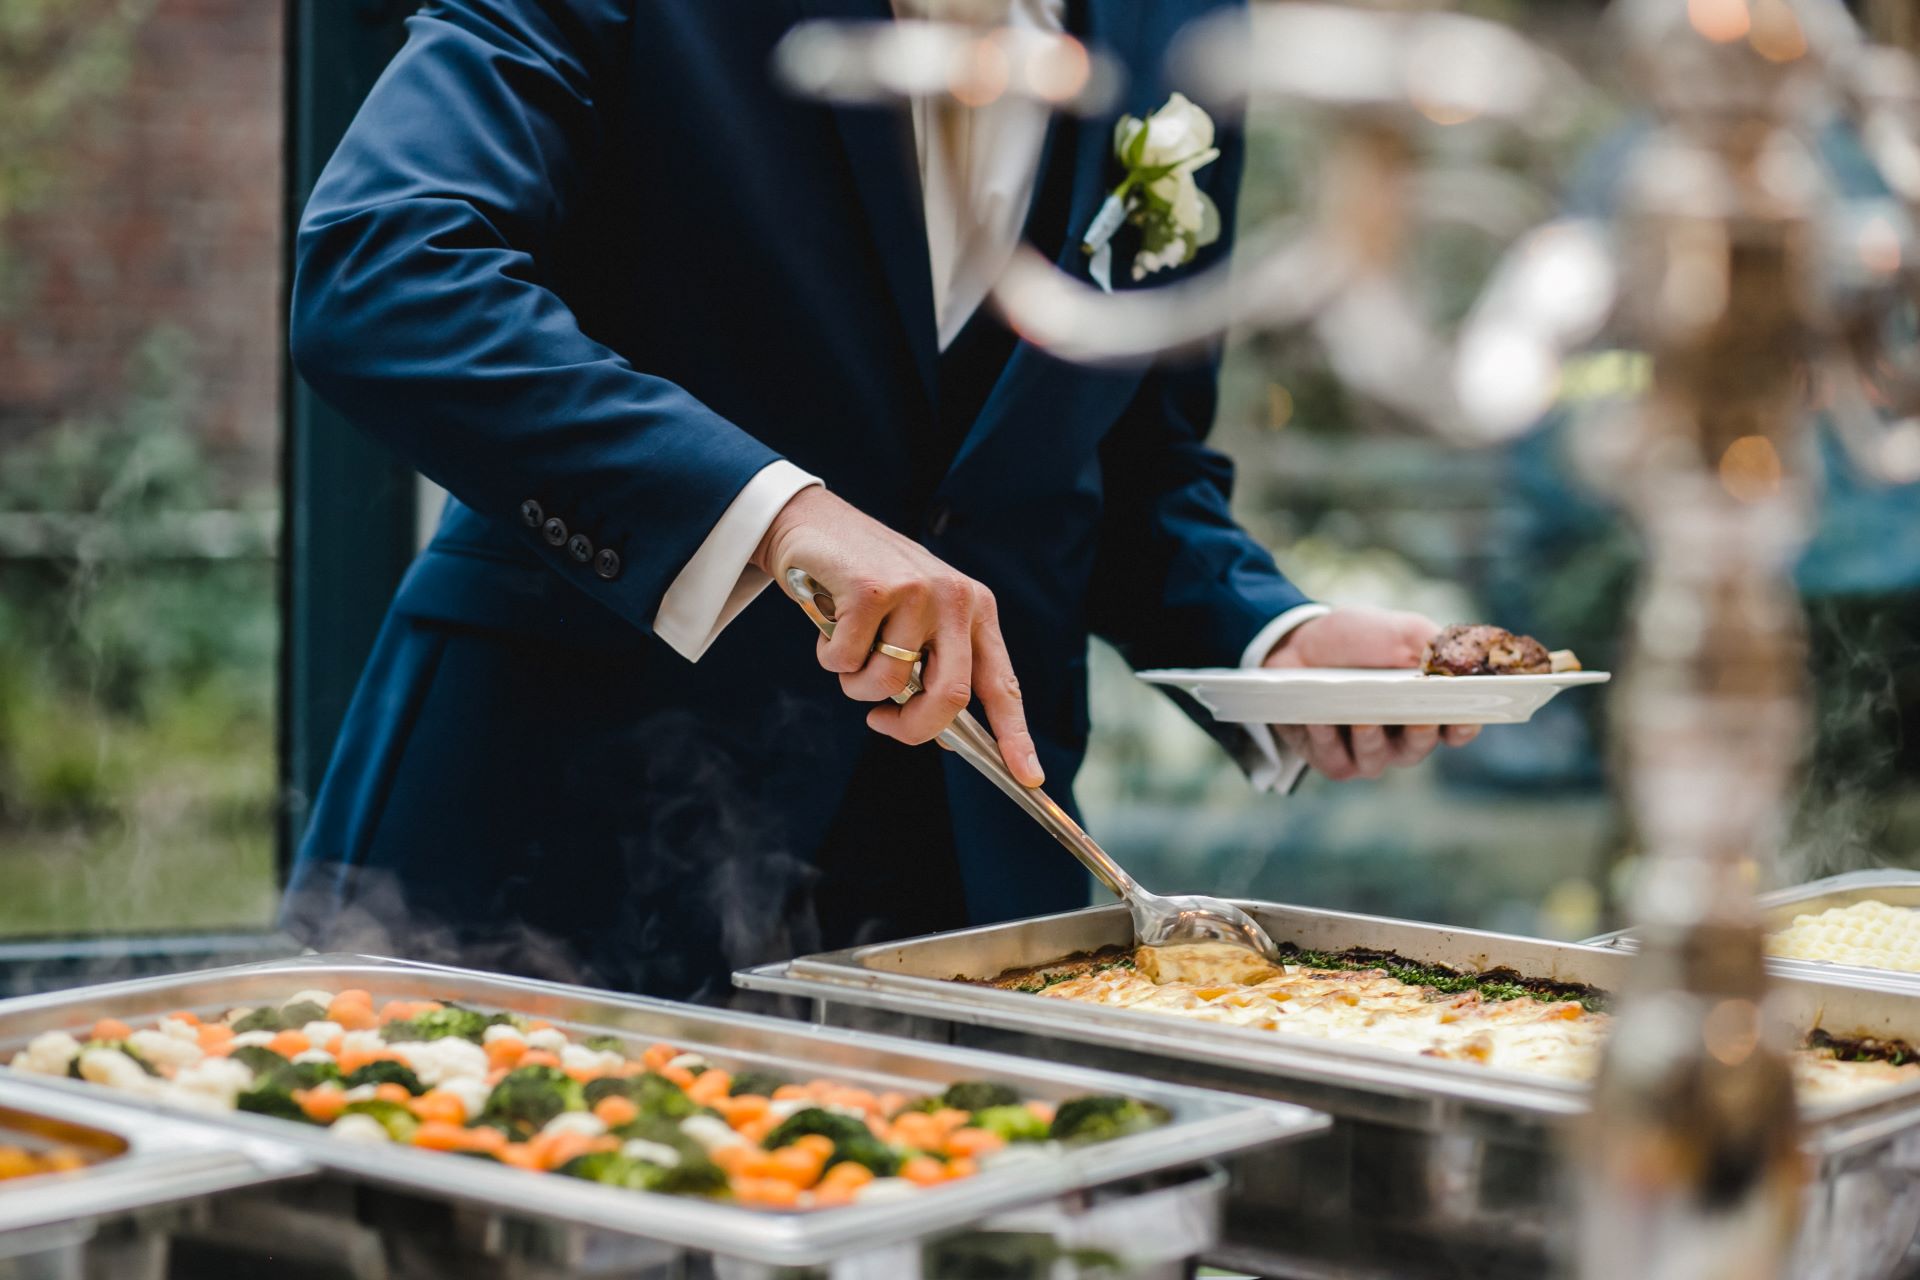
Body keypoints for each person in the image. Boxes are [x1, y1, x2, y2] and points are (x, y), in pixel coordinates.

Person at [281, 0, 1477, 1001]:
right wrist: (779, 513)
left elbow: (1125, 462)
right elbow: (386, 269)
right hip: (548, 847)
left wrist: (1273, 635)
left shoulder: (1190, 23)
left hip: (978, 881)